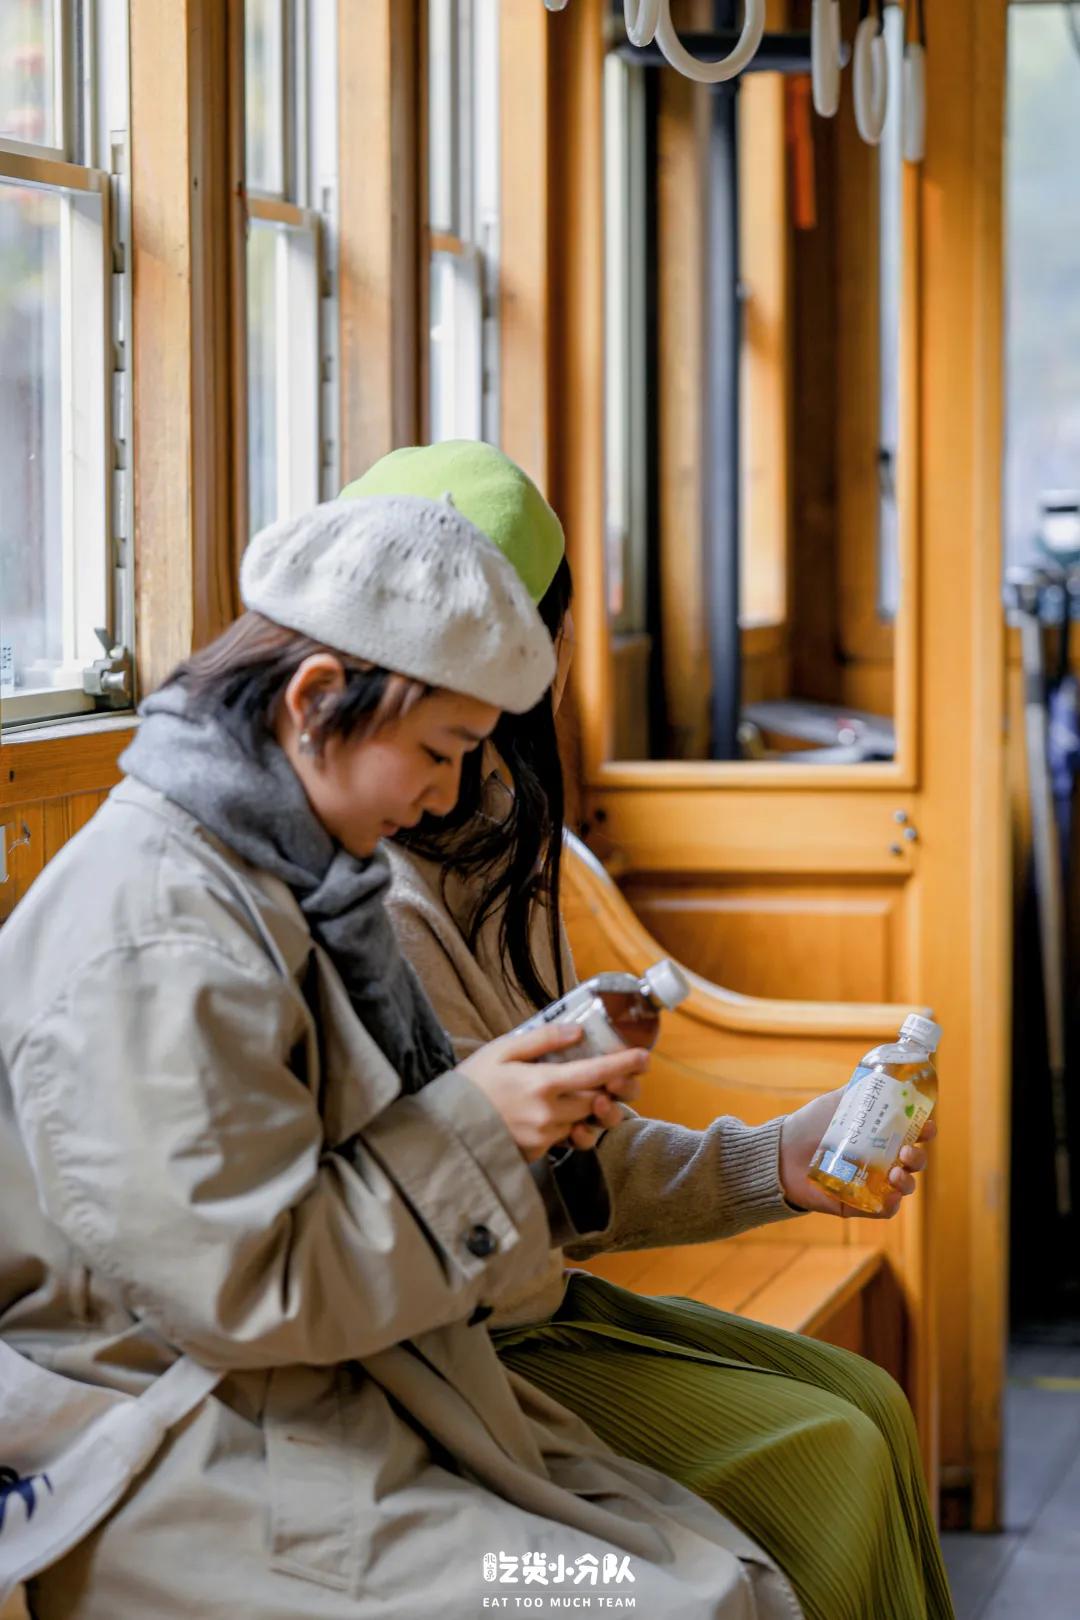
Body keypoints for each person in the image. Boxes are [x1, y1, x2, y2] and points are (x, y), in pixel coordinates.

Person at [0, 495, 802, 1620]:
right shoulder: (164, 925)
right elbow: (242, 1290)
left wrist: (513, 1116)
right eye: (440, 750)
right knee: (652, 1601)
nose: (450, 793)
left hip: (318, 1405)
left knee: (711, 1578)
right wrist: (482, 1121)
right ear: (316, 698)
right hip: (182, 1445)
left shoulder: (290, 876)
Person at [343, 443, 956, 1620]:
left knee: (866, 1405)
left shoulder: (494, 825)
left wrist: (777, 1160)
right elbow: (481, 1199)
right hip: (448, 1355)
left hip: (522, 1304)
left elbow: (572, 1166)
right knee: (830, 1456)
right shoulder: (369, 893)